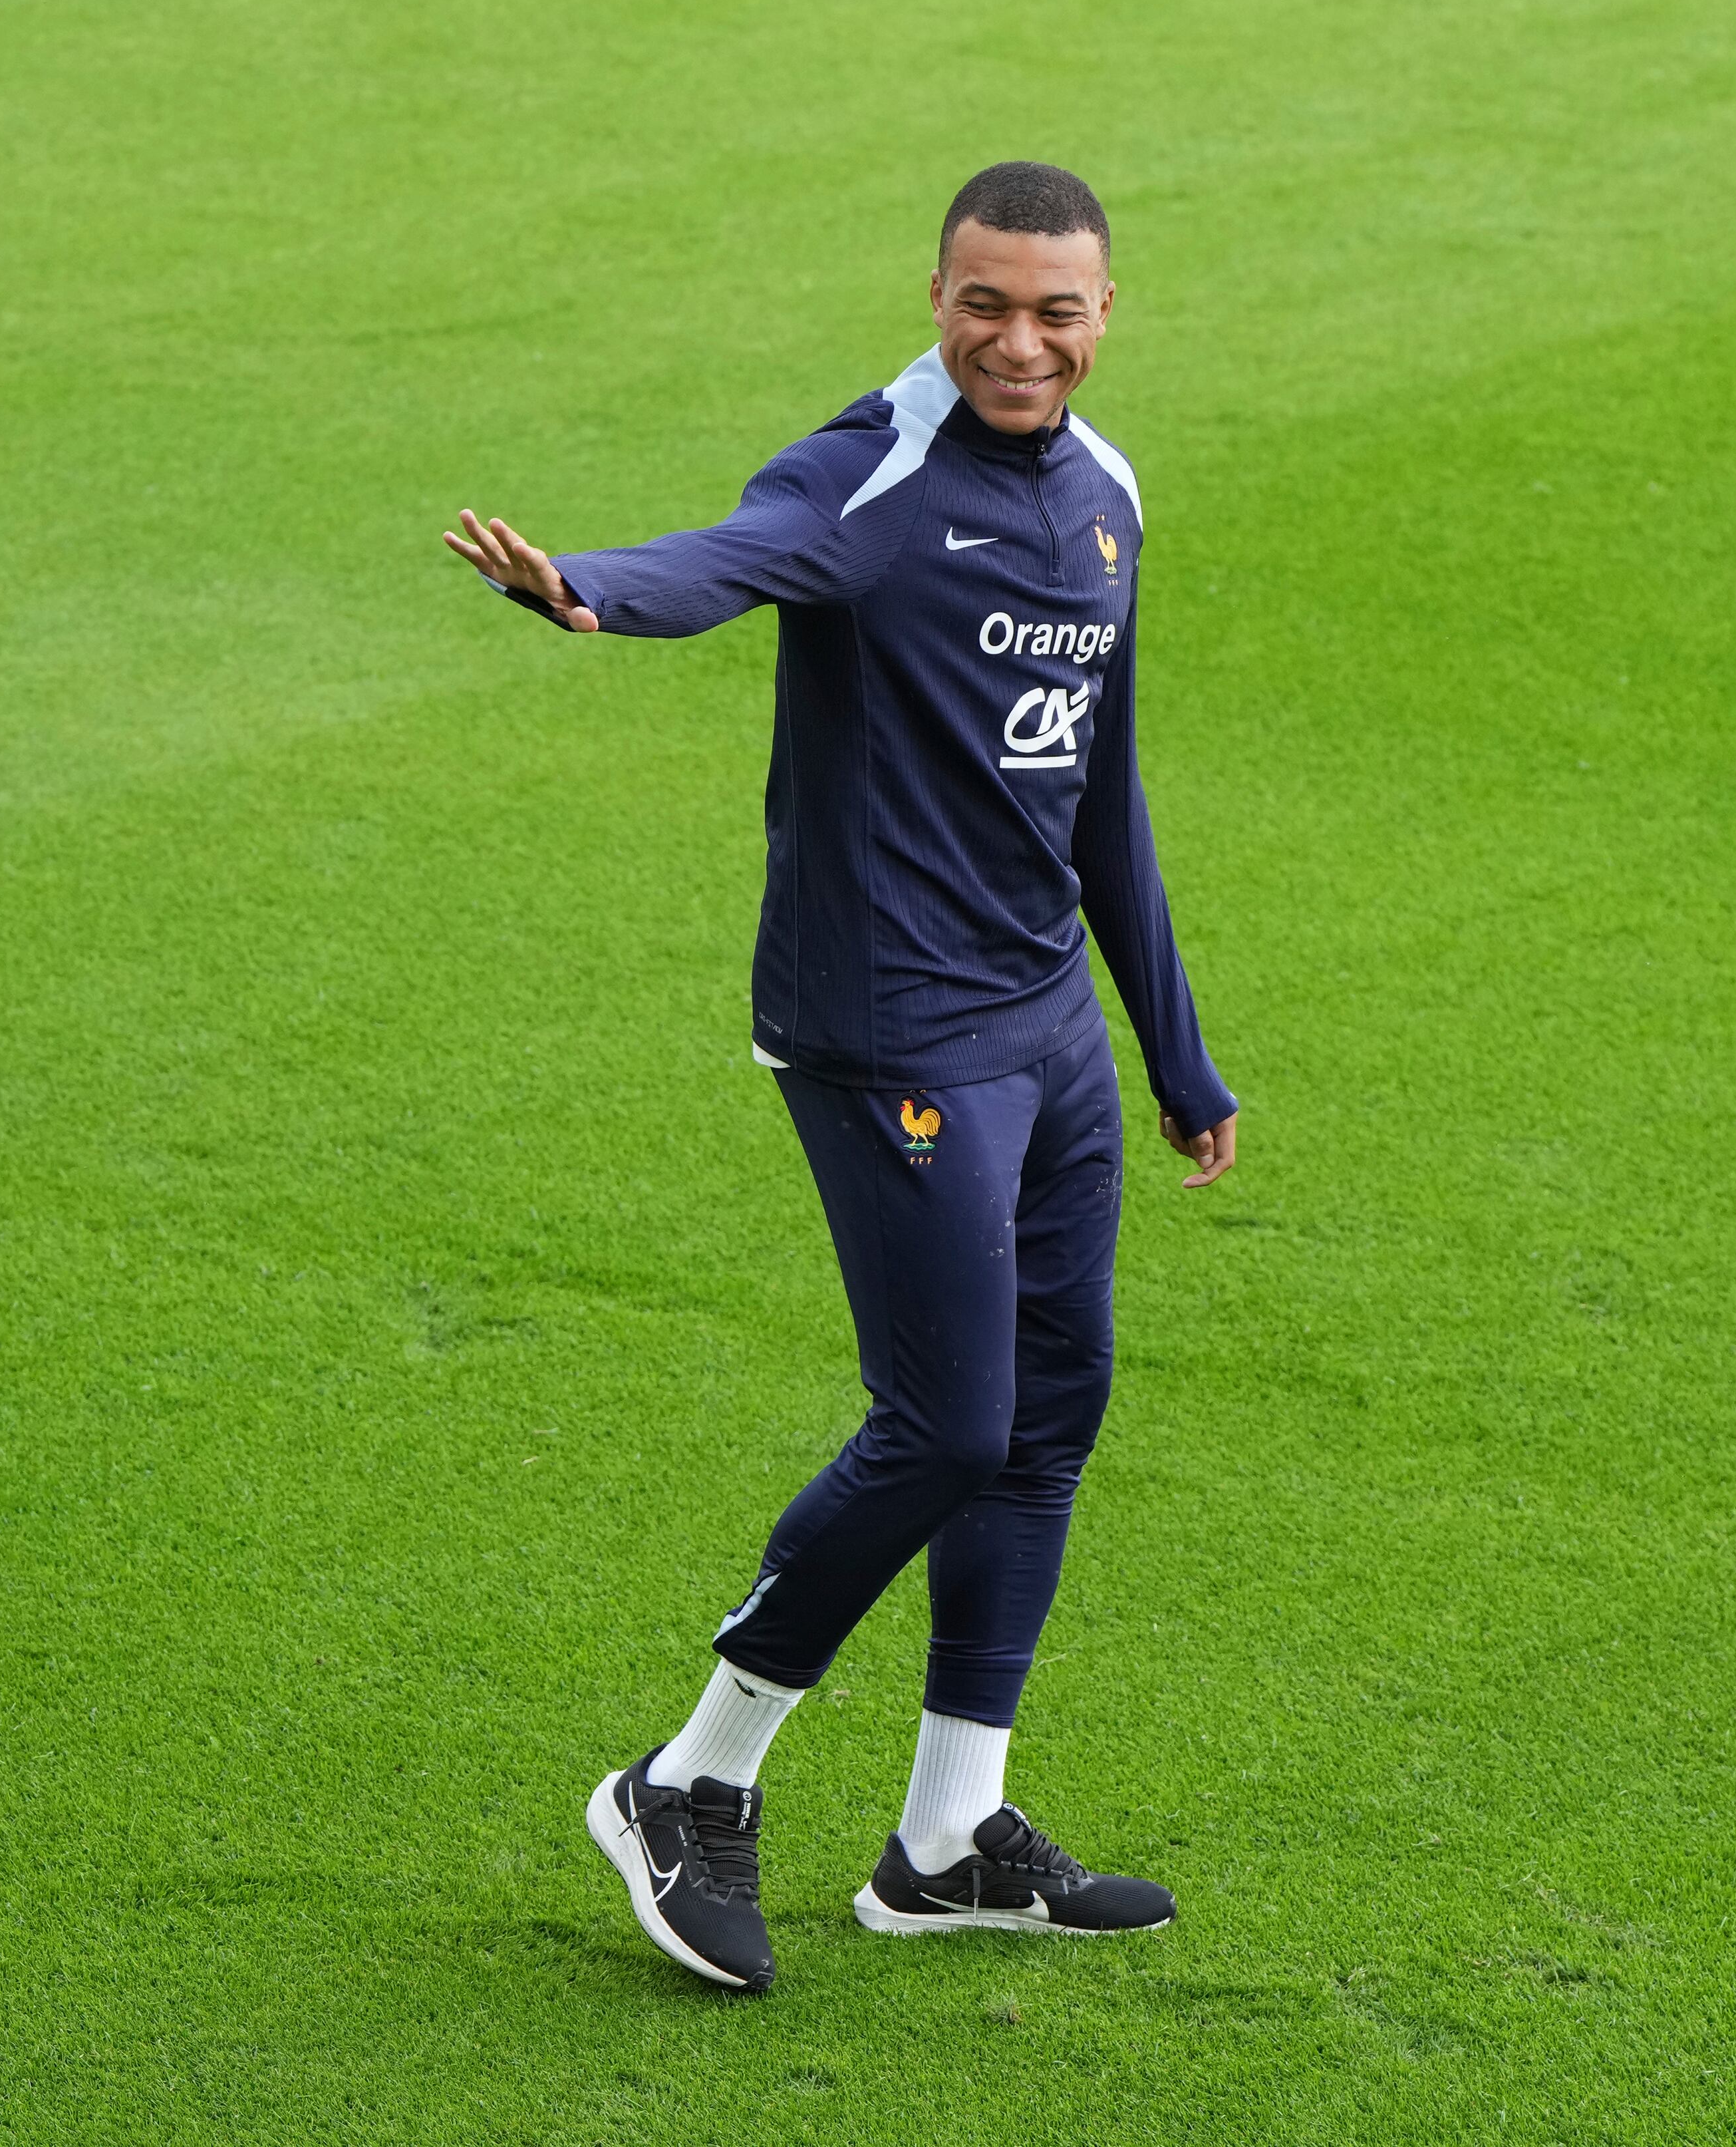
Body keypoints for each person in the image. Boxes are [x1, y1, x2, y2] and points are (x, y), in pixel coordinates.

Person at [444, 161, 1238, 1994]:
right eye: (984, 303)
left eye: (1055, 310)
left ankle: (952, 1836)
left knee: (1050, 1412)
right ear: (938, 293)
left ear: (1108, 313)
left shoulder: (1107, 498)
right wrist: (585, 594)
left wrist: (1174, 1051)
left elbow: (1098, 795)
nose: (1017, 341)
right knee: (947, 1425)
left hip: (1046, 1031)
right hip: (891, 1027)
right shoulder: (872, 472)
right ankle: (684, 1781)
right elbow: (734, 556)